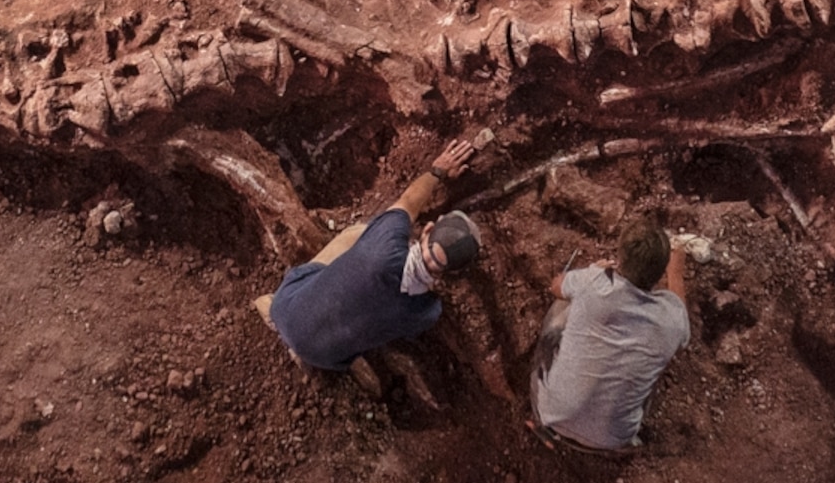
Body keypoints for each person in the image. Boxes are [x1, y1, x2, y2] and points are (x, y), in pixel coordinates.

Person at [264, 133, 488, 372]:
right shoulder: (427, 312)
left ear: (428, 230)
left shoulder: (385, 244)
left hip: (284, 308)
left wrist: (438, 171)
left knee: (358, 233)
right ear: (451, 273)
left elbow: (408, 202)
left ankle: (276, 313)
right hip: (325, 359)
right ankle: (304, 348)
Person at [531, 215, 693, 453]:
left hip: (551, 415)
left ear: (620, 258)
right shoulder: (673, 320)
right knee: (655, 359)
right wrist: (676, 274)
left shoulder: (593, 282)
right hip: (612, 440)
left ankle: (548, 413)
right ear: (660, 272)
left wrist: (593, 271)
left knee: (563, 306)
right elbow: (680, 314)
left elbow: (556, 286)